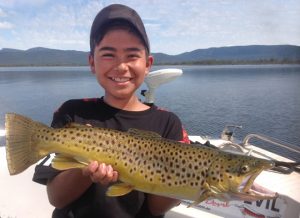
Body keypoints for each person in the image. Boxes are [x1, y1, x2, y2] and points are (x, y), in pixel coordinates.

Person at [33, 4, 189, 218]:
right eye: (108, 54)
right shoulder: (73, 112)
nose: (121, 66)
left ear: (148, 64)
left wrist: (195, 182)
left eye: (132, 55)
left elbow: (157, 208)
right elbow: (57, 198)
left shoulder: (168, 122)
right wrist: (85, 168)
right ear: (92, 63)